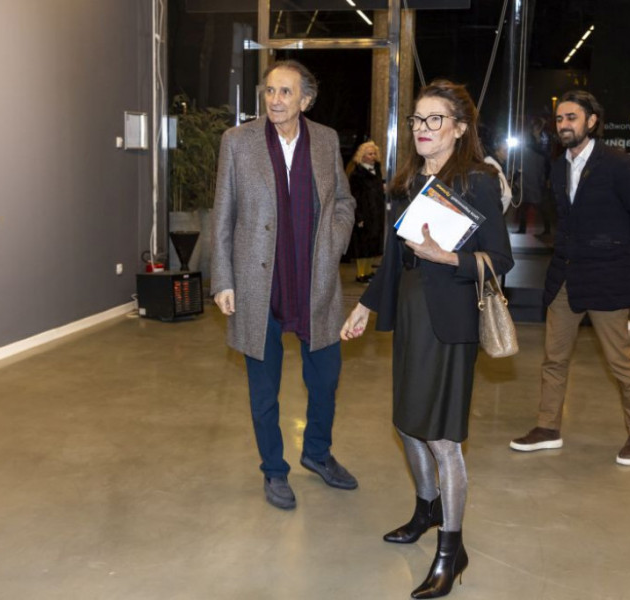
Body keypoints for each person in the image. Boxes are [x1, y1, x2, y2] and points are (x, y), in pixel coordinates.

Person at [342, 80, 513, 598]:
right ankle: (425, 511)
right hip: (412, 315)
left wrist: (448, 257)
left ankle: (450, 550)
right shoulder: (408, 181)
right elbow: (394, 259)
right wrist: (365, 306)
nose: (422, 128)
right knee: (408, 424)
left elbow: (501, 259)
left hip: (452, 321)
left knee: (442, 439)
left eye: (435, 119)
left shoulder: (478, 181)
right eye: (418, 119)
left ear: (459, 129)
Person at [210, 60, 357, 510]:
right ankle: (274, 469)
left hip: (315, 283)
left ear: (305, 100)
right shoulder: (238, 142)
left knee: (325, 379)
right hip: (259, 285)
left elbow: (344, 201)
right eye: (270, 91)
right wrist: (223, 280)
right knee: (264, 389)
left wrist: (334, 240)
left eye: (285, 92)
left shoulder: (326, 140)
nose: (275, 100)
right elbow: (223, 214)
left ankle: (317, 453)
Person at [509, 90, 630, 467]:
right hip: (565, 276)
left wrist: (620, 260)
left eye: (571, 118)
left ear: (592, 121)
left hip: (608, 277)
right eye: (560, 119)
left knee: (620, 362)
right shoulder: (559, 167)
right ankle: (547, 427)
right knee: (554, 358)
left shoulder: (621, 165)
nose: (564, 125)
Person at [345, 140, 386, 282]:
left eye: (374, 153)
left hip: (376, 213)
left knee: (373, 244)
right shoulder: (357, 174)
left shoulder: (377, 170)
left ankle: (368, 271)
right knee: (363, 246)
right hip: (363, 213)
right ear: (362, 156)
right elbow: (353, 197)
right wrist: (358, 217)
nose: (373, 156)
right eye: (369, 154)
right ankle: (361, 274)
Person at [483, 136, 512, 214]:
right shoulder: (492, 165)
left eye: (508, 150)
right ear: (496, 151)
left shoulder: (490, 162)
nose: (507, 153)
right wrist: (499, 213)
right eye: (505, 150)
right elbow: (507, 195)